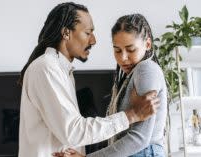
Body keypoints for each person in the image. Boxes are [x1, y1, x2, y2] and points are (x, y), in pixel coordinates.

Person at [18, 3, 160, 157]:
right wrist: (131, 114)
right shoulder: (46, 68)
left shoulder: (61, 71)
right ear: (66, 33)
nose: (94, 40)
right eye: (88, 33)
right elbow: (73, 131)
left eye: (130, 49)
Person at [53, 14, 168, 157]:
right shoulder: (132, 75)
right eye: (117, 50)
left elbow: (140, 138)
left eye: (131, 49)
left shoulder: (146, 69)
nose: (123, 57)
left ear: (148, 44)